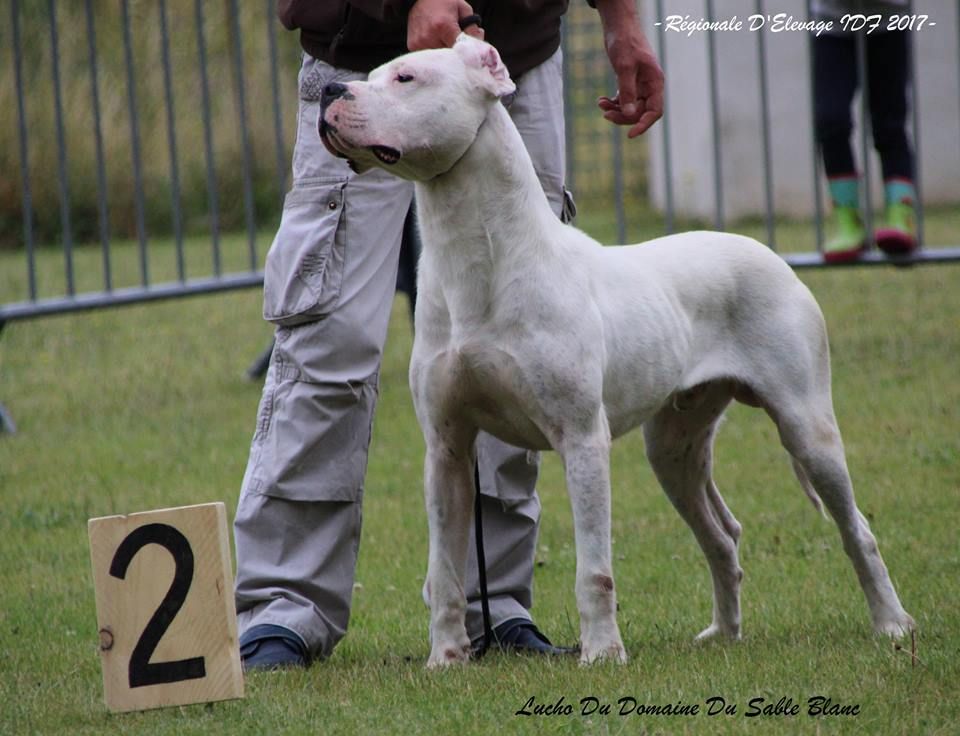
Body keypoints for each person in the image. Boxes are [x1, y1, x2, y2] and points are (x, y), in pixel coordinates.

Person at [234, 0, 663, 671]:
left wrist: (620, 16)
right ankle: (284, 607)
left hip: (515, 57)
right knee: (330, 338)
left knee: (532, 343)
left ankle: (495, 605)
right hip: (358, 57)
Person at [811, 0, 917, 262]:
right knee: (830, 119)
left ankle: (899, 217)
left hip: (890, 18)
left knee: (890, 124)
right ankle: (847, 222)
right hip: (831, 23)